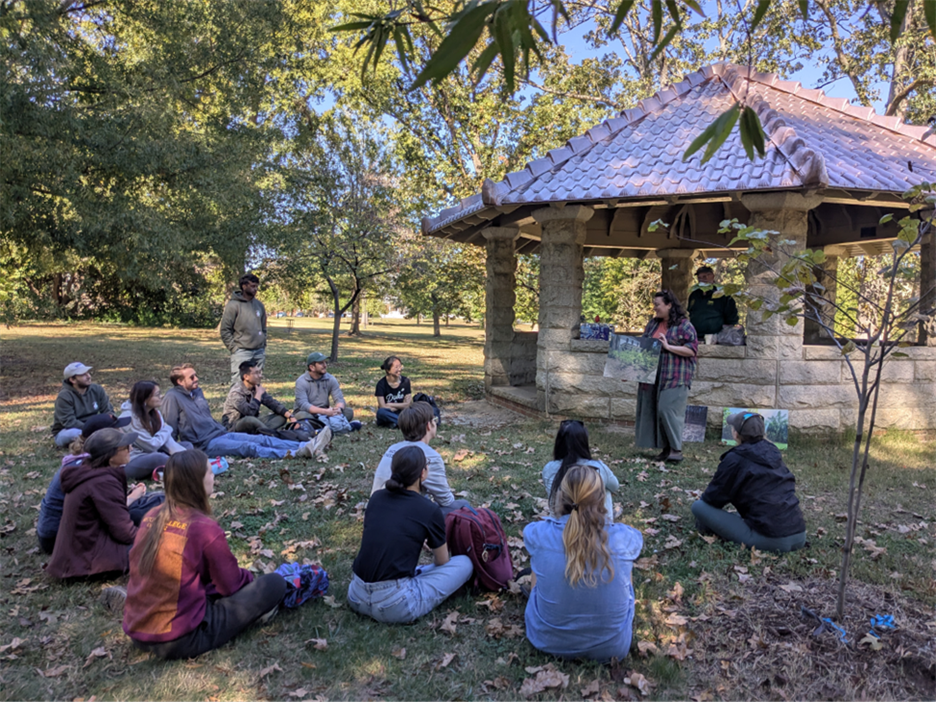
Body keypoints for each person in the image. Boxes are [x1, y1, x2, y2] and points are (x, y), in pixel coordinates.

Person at [123, 450, 287, 659]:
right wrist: (251, 578)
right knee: (275, 583)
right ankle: (258, 614)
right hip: (180, 638)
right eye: (210, 472)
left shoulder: (151, 515)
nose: (214, 477)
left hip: (137, 632)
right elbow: (231, 585)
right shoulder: (203, 528)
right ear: (197, 483)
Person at [523, 465, 643, 662]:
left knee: (539, 560)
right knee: (623, 569)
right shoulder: (625, 538)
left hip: (547, 641)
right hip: (613, 647)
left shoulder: (538, 534)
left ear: (560, 497)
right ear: (602, 499)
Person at [348, 446, 473, 623]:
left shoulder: (376, 498)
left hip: (355, 594)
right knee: (464, 563)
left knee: (411, 569)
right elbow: (442, 561)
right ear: (423, 473)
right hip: (394, 604)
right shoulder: (428, 509)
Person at [38, 415, 170, 554]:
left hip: (76, 529)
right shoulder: (93, 474)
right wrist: (156, 540)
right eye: (120, 437)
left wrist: (129, 497)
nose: (130, 448)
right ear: (105, 445)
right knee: (147, 511)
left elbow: (102, 506)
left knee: (150, 504)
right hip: (60, 537)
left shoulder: (92, 463)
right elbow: (122, 528)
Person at [46, 428, 162, 579]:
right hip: (87, 562)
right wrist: (153, 537)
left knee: (149, 510)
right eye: (126, 447)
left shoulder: (90, 471)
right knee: (161, 546)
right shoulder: (103, 482)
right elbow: (125, 532)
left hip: (79, 553)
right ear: (110, 455)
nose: (131, 449)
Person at [161, 363, 330, 460]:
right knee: (249, 446)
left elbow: (271, 403)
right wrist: (175, 455)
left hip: (219, 433)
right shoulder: (172, 397)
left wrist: (289, 416)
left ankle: (305, 445)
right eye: (192, 377)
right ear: (179, 381)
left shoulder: (197, 391)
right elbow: (170, 428)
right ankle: (296, 453)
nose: (196, 379)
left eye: (196, 375)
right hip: (204, 444)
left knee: (262, 438)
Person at [691, 412, 807, 553]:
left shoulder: (734, 458)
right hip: (800, 534)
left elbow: (712, 499)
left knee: (698, 507)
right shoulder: (773, 451)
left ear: (735, 434)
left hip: (772, 539)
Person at [370, 402, 469, 518]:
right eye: (434, 420)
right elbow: (446, 501)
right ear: (429, 425)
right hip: (403, 517)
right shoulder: (431, 456)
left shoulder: (392, 449)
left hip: (376, 511)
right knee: (463, 506)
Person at [634, 290, 698, 463]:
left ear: (669, 305)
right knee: (655, 411)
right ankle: (665, 449)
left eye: (658, 305)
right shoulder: (653, 324)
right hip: (653, 376)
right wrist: (631, 370)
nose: (655, 308)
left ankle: (676, 450)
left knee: (667, 409)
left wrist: (669, 347)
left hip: (675, 375)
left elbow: (692, 350)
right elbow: (643, 348)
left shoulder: (684, 325)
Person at [542, 420, 619, 519]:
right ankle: (605, 518)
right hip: (595, 528)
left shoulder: (549, 468)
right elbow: (615, 486)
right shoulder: (598, 467)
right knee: (605, 487)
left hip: (558, 524)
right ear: (583, 442)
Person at [119, 381, 194, 480]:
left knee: (187, 446)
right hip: (132, 460)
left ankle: (166, 470)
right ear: (145, 399)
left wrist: (183, 455)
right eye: (157, 395)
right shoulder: (128, 418)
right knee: (159, 458)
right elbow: (151, 446)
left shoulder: (154, 412)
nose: (161, 396)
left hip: (150, 453)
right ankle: (178, 470)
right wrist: (168, 428)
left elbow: (167, 440)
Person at [294, 352, 361, 434]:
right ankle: (342, 426)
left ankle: (322, 429)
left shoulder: (330, 379)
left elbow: (339, 398)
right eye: (321, 363)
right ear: (312, 367)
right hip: (308, 413)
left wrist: (338, 409)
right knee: (302, 417)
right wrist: (325, 412)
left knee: (348, 412)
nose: (325, 365)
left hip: (326, 413)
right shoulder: (302, 381)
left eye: (325, 362)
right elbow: (304, 405)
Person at [221, 360, 296, 433]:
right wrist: (258, 394)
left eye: (260, 372)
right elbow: (249, 412)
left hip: (254, 421)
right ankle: (269, 433)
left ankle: (261, 432)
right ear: (246, 377)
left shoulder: (256, 387)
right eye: (256, 373)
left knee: (281, 418)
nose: (260, 376)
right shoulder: (236, 392)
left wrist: (290, 416)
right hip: (235, 426)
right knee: (250, 420)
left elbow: (272, 403)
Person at [51, 362, 114, 447]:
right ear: (72, 380)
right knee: (76, 433)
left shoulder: (97, 389)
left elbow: (108, 410)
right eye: (83, 375)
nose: (88, 376)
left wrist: (111, 423)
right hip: (67, 431)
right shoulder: (64, 397)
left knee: (120, 424)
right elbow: (70, 422)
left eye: (88, 373)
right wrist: (93, 429)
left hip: (93, 427)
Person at [220, 273, 267, 384]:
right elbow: (225, 329)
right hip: (242, 351)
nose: (255, 289)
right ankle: (237, 402)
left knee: (256, 382)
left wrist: (263, 342)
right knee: (238, 383)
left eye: (256, 286)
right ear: (244, 286)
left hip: (259, 351)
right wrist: (234, 348)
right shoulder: (233, 305)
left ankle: (254, 401)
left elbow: (263, 327)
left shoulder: (259, 305)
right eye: (252, 286)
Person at [687, 266, 740, 338]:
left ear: (712, 276)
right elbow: (690, 313)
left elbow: (732, 319)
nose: (702, 280)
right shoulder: (694, 295)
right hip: (696, 337)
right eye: (699, 278)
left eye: (705, 277)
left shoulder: (723, 295)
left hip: (717, 337)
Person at [374, 356, 412, 428]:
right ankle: (404, 423)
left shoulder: (406, 381)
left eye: (400, 366)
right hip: (387, 413)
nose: (399, 369)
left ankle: (395, 423)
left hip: (402, 413)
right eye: (396, 367)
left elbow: (407, 405)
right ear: (388, 370)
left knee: (413, 410)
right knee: (381, 412)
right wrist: (401, 405)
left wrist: (390, 404)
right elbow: (382, 407)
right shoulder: (381, 384)